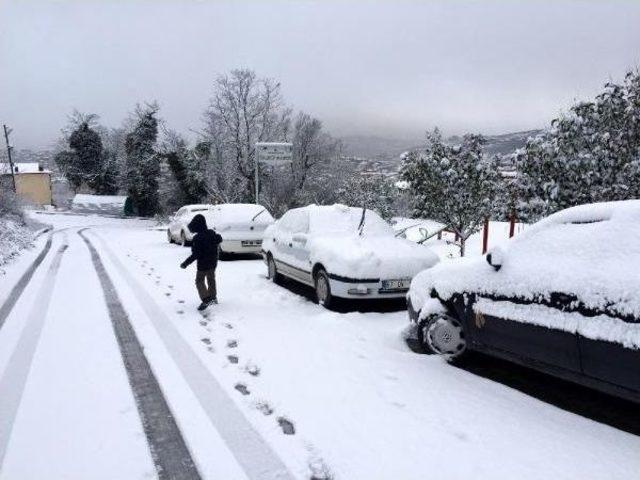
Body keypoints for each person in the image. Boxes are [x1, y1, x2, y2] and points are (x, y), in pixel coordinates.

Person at [180, 214, 223, 311]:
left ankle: (206, 298)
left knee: (199, 281)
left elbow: (196, 254)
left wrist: (185, 263)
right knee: (211, 279)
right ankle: (213, 297)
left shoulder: (197, 238)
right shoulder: (212, 233)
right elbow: (219, 238)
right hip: (213, 262)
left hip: (203, 265)